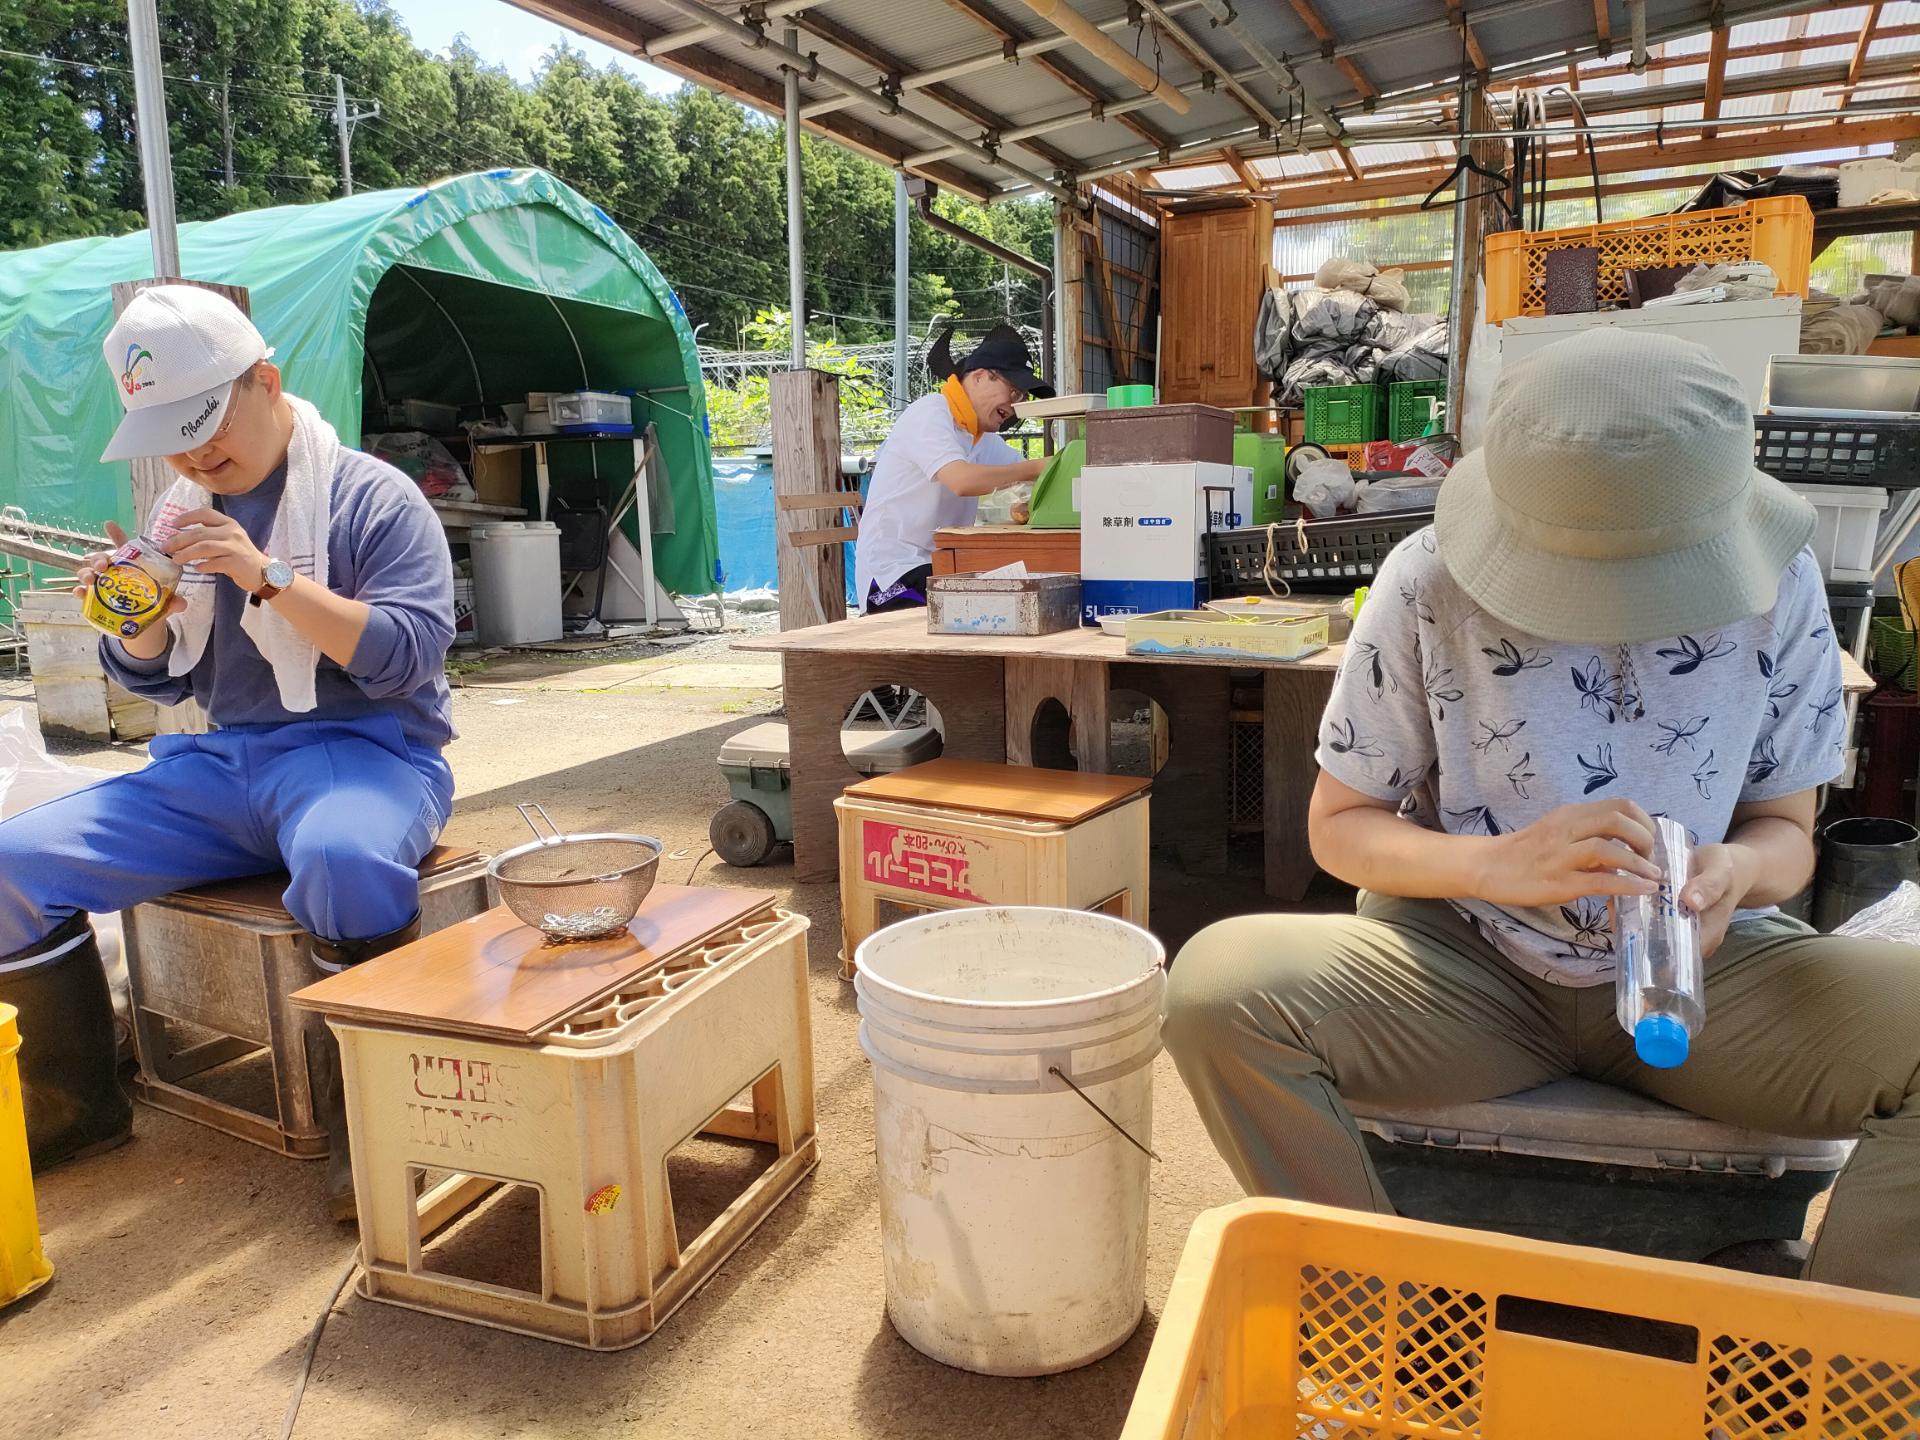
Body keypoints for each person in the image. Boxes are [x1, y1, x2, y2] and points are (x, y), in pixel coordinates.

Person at [1163, 329, 1920, 1299]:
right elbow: (1339, 825)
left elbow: (1787, 832)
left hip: (1707, 976)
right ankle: (1364, 1310)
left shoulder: (1784, 583)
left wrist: (1737, 873)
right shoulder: (1428, 580)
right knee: (1217, 993)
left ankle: (1833, 1375)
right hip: (1466, 968)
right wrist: (1491, 868)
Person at [0, 284, 455, 1219]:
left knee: (342, 856)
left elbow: (408, 657)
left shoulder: (371, 496)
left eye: (206, 419)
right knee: (9, 865)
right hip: (220, 763)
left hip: (367, 751)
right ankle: (73, 1113)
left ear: (267, 381)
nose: (196, 451)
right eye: (171, 433)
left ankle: (373, 1141)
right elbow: (161, 686)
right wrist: (134, 621)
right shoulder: (177, 521)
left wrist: (269, 576)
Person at [853, 324, 1054, 614]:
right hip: (889, 581)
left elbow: (1029, 476)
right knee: (991, 601)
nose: (1013, 406)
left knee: (1014, 587)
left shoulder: (980, 438)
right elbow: (961, 480)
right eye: (1012, 391)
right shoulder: (930, 412)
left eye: (1021, 397)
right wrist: (1035, 467)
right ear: (980, 376)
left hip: (940, 569)